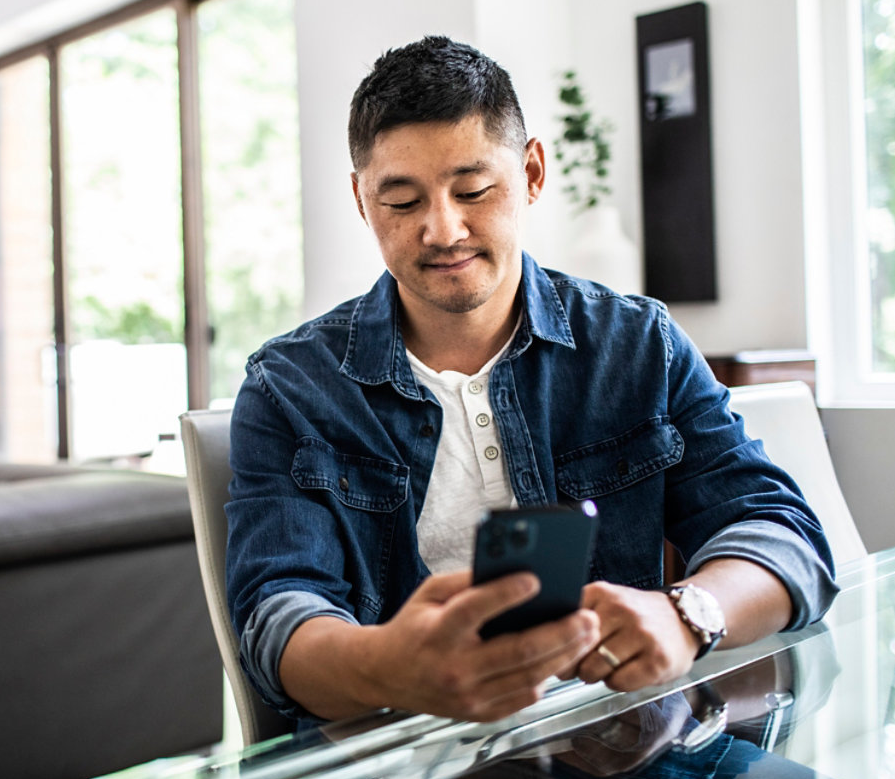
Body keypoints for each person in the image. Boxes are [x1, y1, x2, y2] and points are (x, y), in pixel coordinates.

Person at [225, 36, 837, 727]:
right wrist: (386, 663)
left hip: (620, 740)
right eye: (401, 201)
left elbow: (783, 535)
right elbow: (274, 620)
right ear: (362, 203)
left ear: (533, 172)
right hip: (402, 757)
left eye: (474, 190)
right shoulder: (291, 388)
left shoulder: (637, 345)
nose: (442, 229)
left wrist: (685, 615)